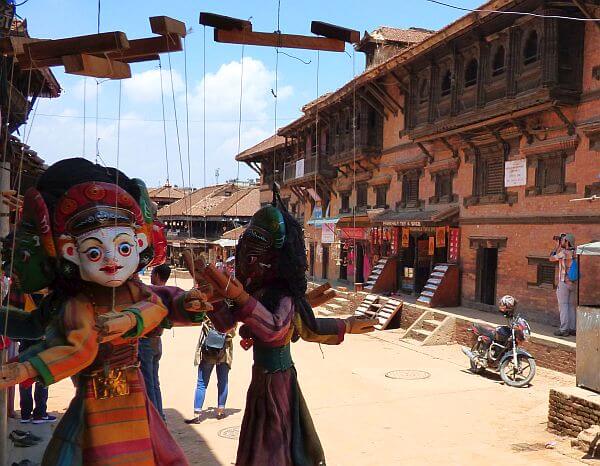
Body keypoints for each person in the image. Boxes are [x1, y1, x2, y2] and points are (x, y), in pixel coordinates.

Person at [0, 158, 212, 465]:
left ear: (140, 243)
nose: (112, 261)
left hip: (127, 396)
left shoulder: (130, 292)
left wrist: (186, 303)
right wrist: (24, 365)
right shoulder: (75, 302)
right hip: (102, 401)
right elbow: (72, 345)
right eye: (95, 251)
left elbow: (160, 303)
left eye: (124, 248)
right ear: (69, 251)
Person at [199, 202, 378, 466]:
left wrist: (347, 325)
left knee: (275, 445)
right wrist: (211, 296)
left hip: (277, 382)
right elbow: (226, 325)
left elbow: (277, 328)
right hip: (261, 379)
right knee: (262, 442)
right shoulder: (258, 292)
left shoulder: (282, 296)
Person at [138, 264, 172, 419]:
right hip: (157, 342)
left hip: (146, 342)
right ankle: (161, 417)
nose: (151, 276)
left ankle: (155, 419)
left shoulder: (152, 292)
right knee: (155, 382)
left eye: (152, 273)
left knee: (149, 382)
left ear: (157, 275)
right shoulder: (169, 294)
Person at [186, 320, 235, 423]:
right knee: (223, 382)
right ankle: (220, 412)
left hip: (208, 354)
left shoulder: (208, 316)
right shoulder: (230, 317)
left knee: (202, 384)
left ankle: (197, 414)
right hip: (224, 354)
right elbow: (233, 333)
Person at [550, 233, 577, 337]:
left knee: (563, 306)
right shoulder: (575, 252)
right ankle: (572, 329)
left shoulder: (563, 253)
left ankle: (564, 329)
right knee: (571, 306)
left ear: (567, 242)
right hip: (574, 282)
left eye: (563, 240)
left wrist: (556, 246)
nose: (562, 242)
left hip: (564, 283)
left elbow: (551, 258)